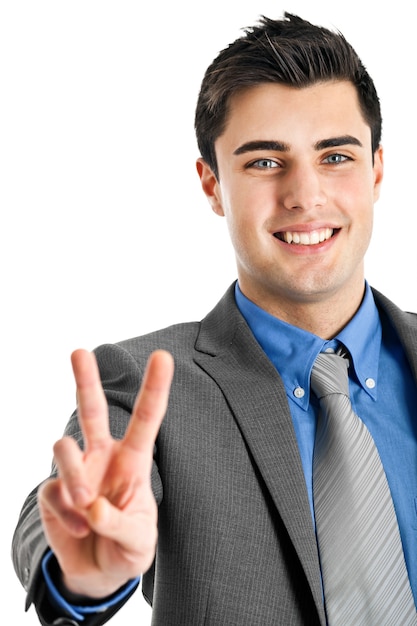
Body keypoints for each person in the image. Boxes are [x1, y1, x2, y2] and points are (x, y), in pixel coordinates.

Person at [12, 10, 417, 626]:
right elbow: (67, 510)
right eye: (263, 161)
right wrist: (83, 572)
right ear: (211, 184)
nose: (305, 196)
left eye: (335, 156)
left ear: (377, 170)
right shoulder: (147, 381)